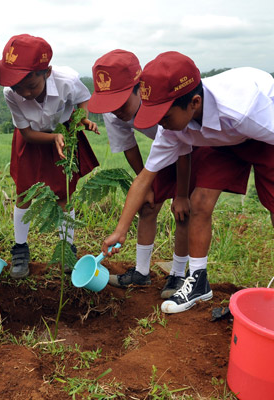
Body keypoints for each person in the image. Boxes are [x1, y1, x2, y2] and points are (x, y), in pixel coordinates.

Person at [101, 51, 274, 314]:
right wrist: (120, 230)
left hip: (260, 134)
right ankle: (198, 282)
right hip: (219, 137)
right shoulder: (174, 126)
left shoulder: (245, 110)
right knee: (199, 202)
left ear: (193, 102)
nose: (160, 125)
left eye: (164, 117)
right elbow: (144, 178)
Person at [87, 49, 193, 298]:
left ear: (139, 88)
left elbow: (186, 150)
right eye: (110, 105)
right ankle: (142, 273)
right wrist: (148, 187)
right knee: (148, 205)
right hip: (164, 150)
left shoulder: (160, 100)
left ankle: (178, 274)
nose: (116, 111)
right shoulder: (113, 110)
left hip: (193, 148)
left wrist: (181, 194)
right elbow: (128, 146)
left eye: (121, 102)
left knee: (185, 210)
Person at [0, 34, 100, 278]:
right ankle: (20, 249)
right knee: (24, 193)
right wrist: (52, 138)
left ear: (47, 72)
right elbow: (27, 133)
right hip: (31, 140)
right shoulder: (10, 93)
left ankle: (67, 248)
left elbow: (83, 100)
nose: (25, 93)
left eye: (31, 86)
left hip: (64, 135)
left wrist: (80, 119)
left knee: (64, 194)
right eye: (18, 87)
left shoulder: (68, 81)